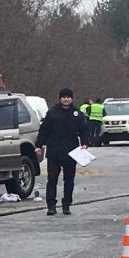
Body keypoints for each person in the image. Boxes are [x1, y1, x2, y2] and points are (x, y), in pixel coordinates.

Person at [34, 88, 89, 216]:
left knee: (69, 180)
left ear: (72, 98)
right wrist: (39, 145)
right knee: (52, 179)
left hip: (71, 151)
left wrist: (85, 143)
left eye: (68, 97)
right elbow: (44, 130)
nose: (66, 99)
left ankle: (66, 205)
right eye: (64, 97)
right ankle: (51, 206)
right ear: (60, 98)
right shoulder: (52, 113)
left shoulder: (77, 114)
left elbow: (84, 130)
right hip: (54, 151)